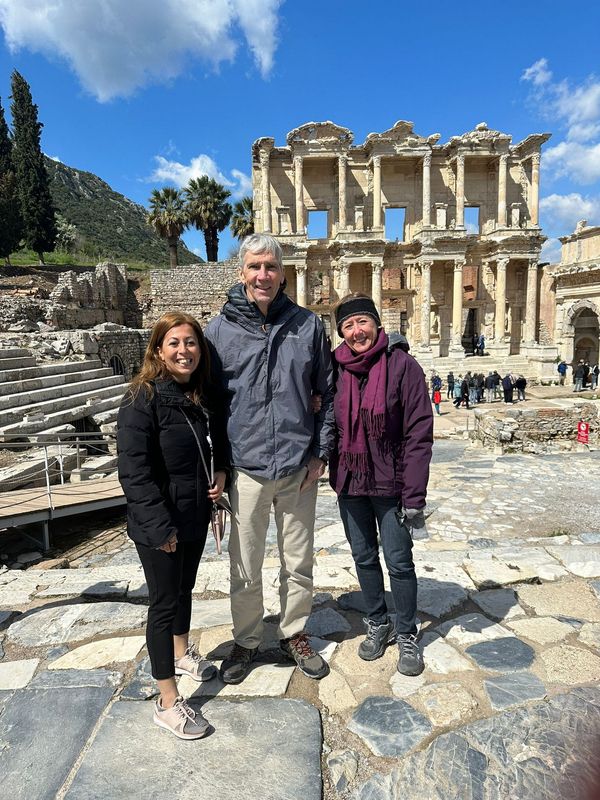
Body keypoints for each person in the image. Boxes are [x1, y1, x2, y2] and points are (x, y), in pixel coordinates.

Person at [205, 233, 334, 685]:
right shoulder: (218, 331)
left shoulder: (308, 326)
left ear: (283, 273)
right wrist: (218, 463)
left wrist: (321, 452)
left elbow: (327, 392)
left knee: (298, 561)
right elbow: (211, 405)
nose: (264, 275)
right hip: (246, 468)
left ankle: (294, 632)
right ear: (242, 272)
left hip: (299, 466)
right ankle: (246, 639)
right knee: (245, 564)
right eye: (255, 267)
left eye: (271, 267)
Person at [117, 312, 229, 740]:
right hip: (160, 523)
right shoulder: (141, 398)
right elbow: (134, 470)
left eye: (192, 343)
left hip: (194, 514)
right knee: (163, 604)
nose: (185, 350)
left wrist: (220, 476)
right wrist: (160, 527)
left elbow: (206, 451)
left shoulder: (196, 396)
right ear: (158, 350)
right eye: (175, 343)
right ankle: (167, 702)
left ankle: (182, 654)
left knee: (184, 591)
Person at [329, 294, 433, 676]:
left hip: (392, 484)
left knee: (400, 562)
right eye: (348, 325)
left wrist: (415, 495)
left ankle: (406, 631)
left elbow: (419, 433)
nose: (357, 332)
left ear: (376, 324)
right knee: (363, 557)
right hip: (351, 481)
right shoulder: (335, 368)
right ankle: (378, 621)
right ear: (340, 331)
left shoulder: (403, 366)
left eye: (363, 323)